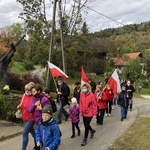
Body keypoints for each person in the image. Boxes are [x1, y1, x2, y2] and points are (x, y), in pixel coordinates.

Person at [17, 83, 38, 150]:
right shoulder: (23, 95)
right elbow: (21, 104)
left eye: (28, 90)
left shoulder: (34, 97)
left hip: (31, 118)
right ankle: (38, 143)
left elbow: (34, 107)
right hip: (24, 116)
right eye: (26, 89)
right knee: (32, 132)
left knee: (25, 132)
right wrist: (19, 106)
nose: (27, 91)